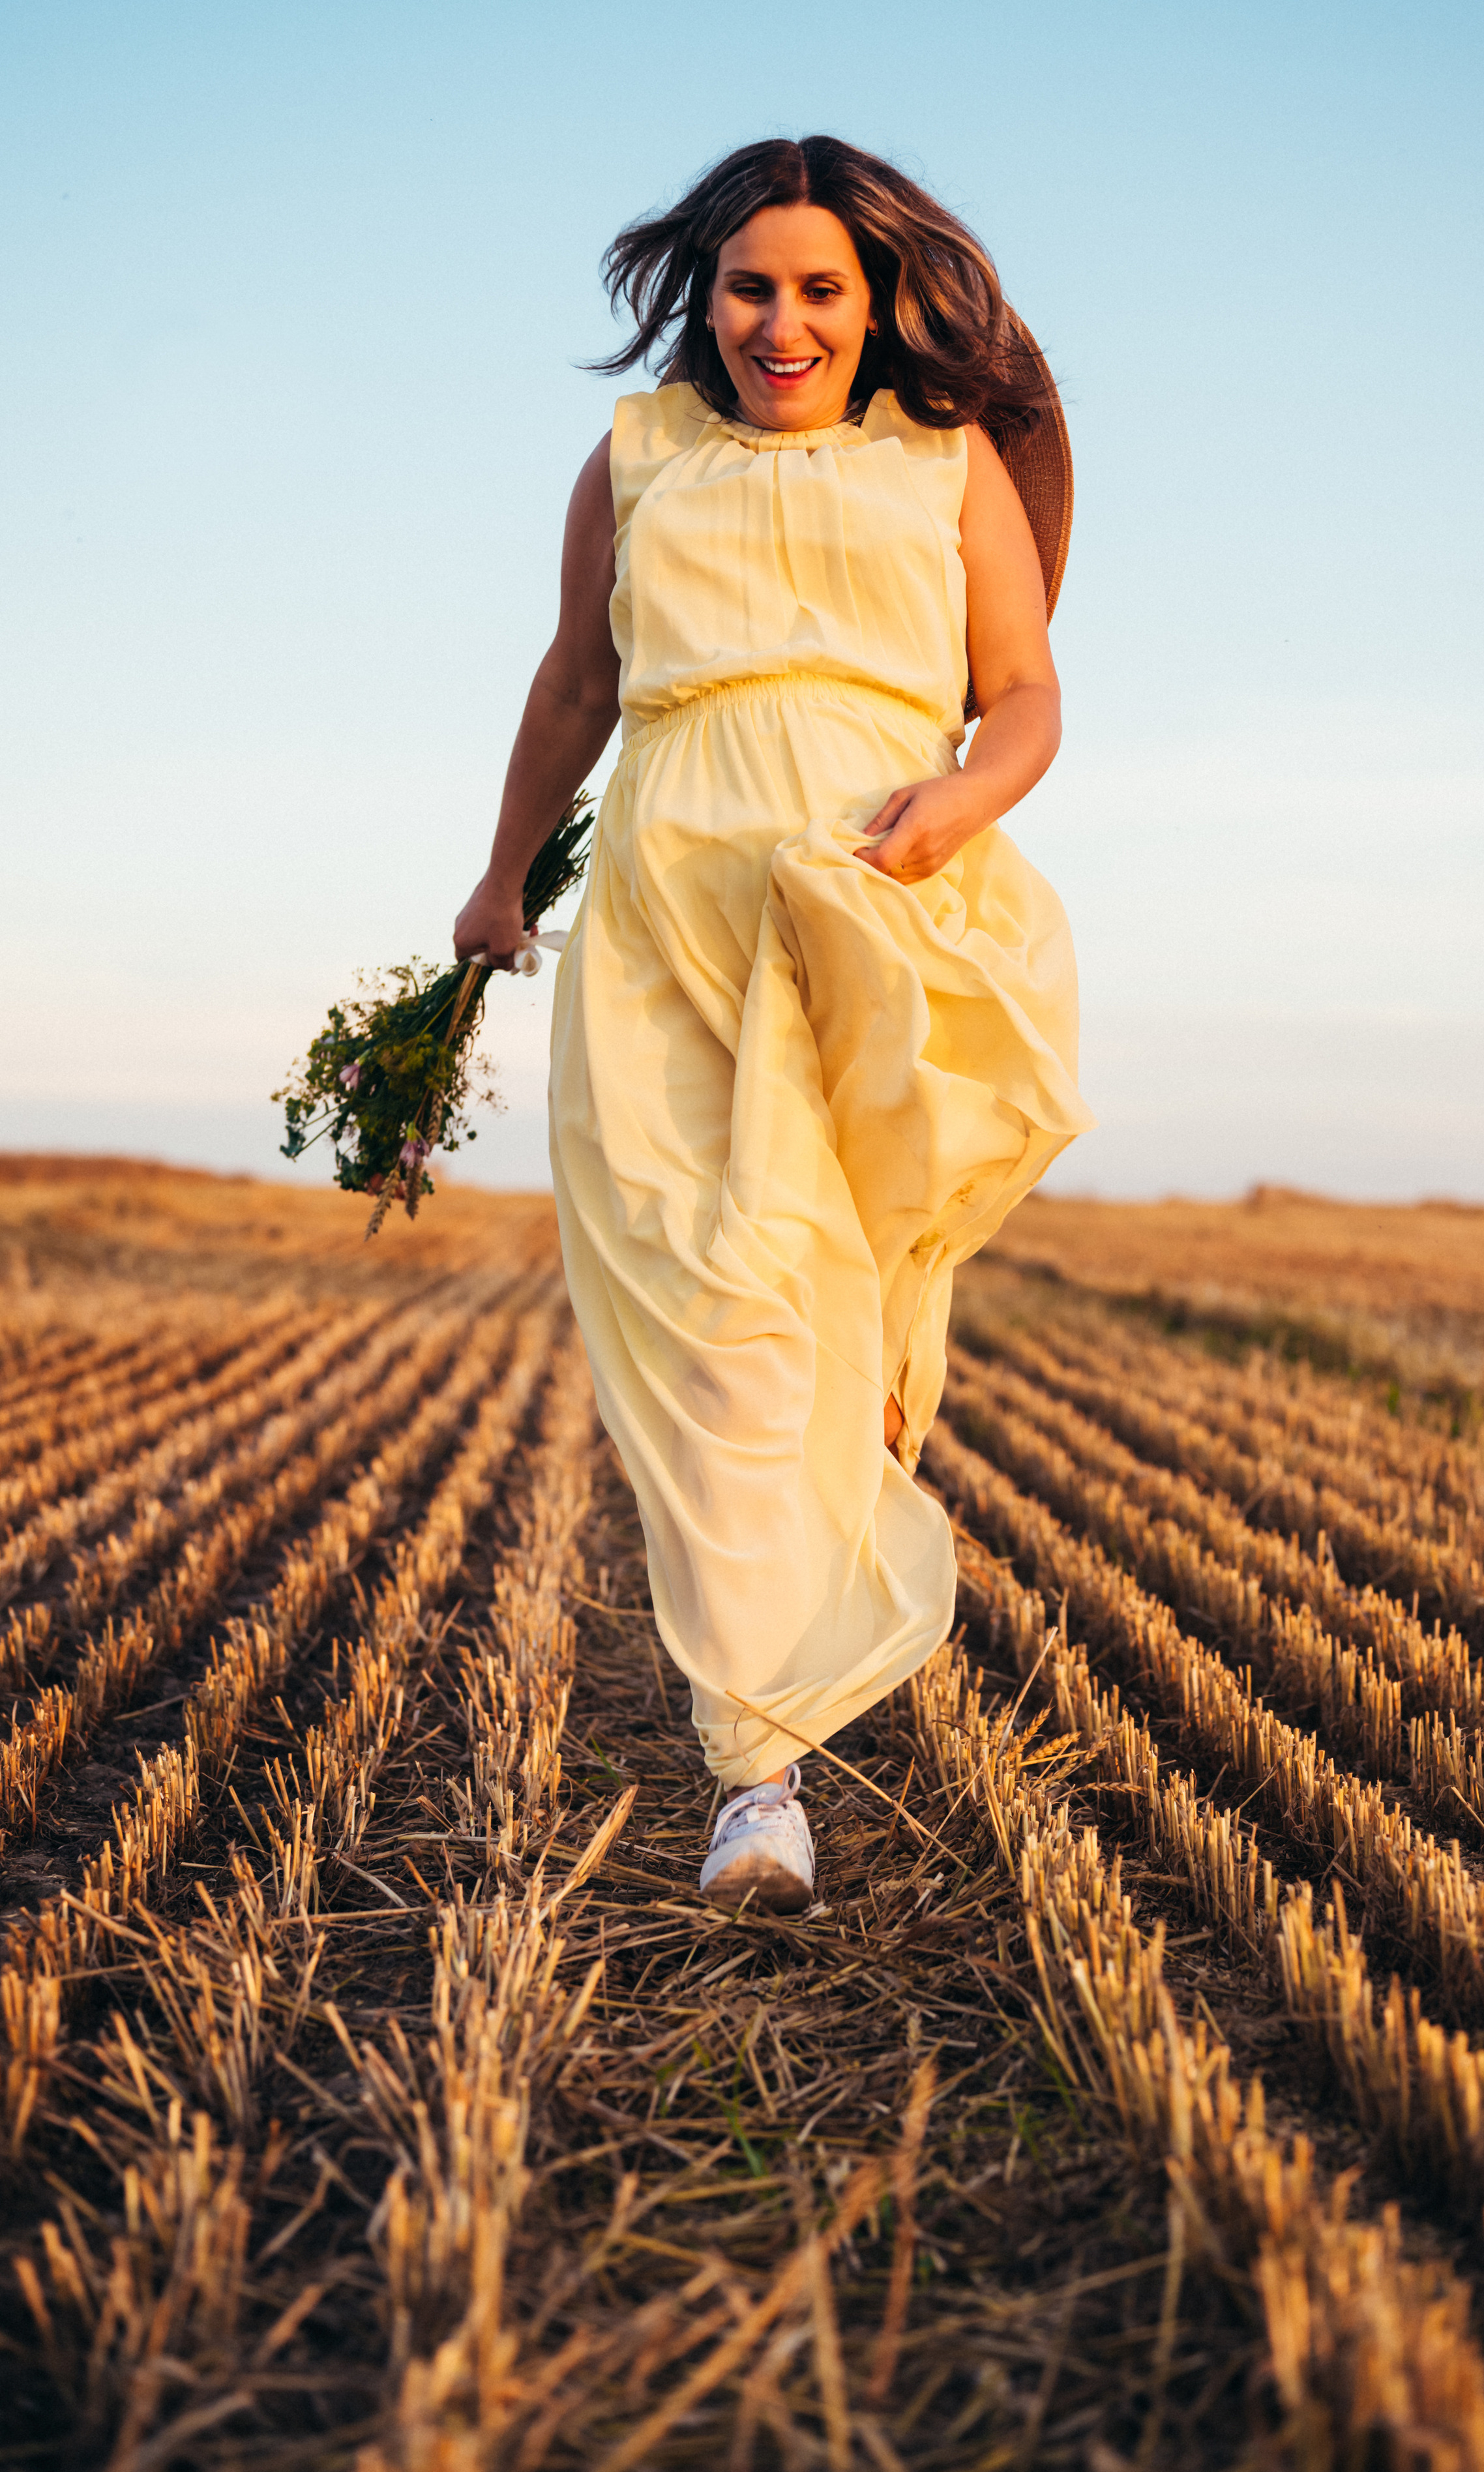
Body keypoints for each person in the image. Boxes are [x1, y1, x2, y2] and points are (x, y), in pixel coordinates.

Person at [454, 136, 1091, 1913]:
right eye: (750, 287)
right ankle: (758, 1777)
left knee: (849, 1333)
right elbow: (578, 679)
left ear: (876, 299)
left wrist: (962, 806)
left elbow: (1028, 692)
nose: (782, 323)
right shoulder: (638, 457)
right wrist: (501, 876)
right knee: (717, 1306)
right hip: (666, 909)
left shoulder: (946, 459)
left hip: (867, 910)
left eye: (820, 290)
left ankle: (816, 1589)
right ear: (703, 293)